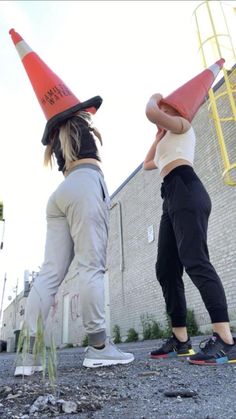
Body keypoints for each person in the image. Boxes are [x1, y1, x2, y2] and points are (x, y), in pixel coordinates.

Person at [15, 110, 134, 375]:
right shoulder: (79, 123)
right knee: (91, 265)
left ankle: (28, 356)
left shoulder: (58, 136)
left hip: (63, 191)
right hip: (87, 183)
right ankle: (99, 348)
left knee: (49, 273)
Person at [143, 92, 236, 365]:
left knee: (195, 261)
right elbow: (148, 164)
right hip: (170, 195)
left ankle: (226, 340)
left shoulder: (184, 124)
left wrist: (154, 99)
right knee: (166, 267)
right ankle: (181, 340)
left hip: (186, 188)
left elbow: (151, 112)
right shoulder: (167, 137)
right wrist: (158, 136)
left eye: (166, 107)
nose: (162, 109)